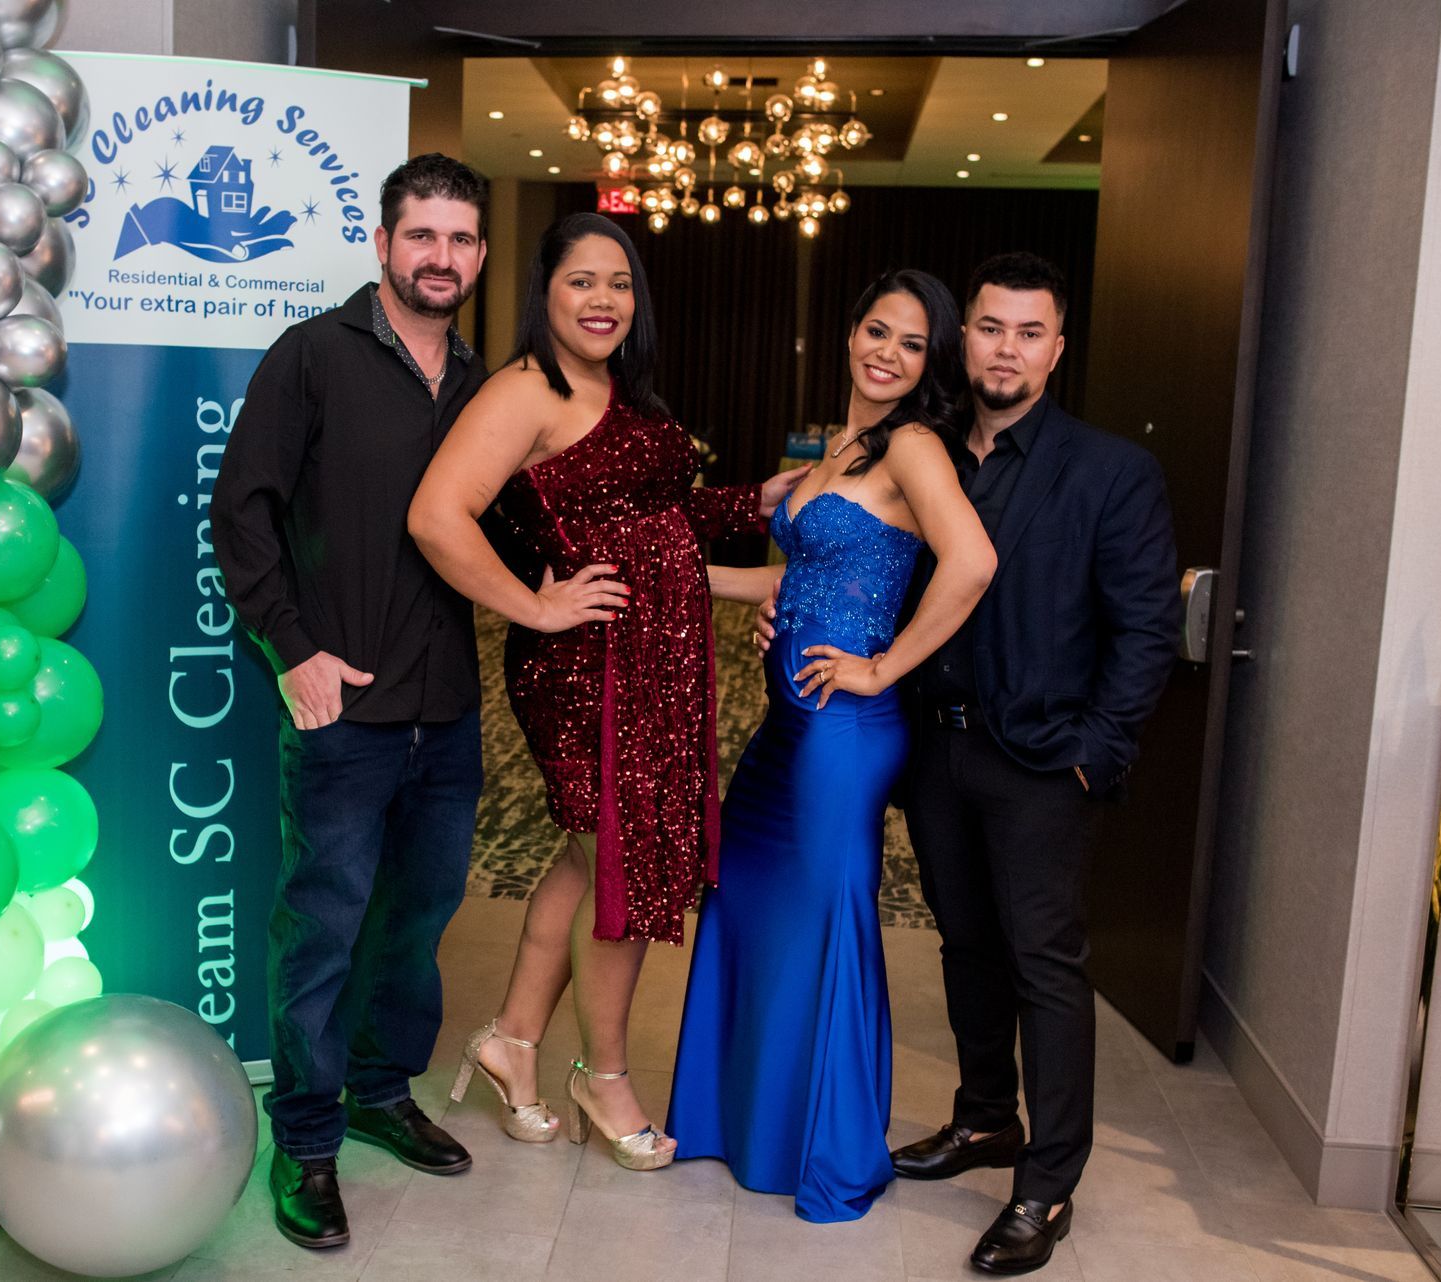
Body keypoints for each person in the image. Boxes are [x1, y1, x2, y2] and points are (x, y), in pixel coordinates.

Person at [408, 212, 808, 1172]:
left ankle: (509, 1041)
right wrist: (531, 609)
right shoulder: (524, 391)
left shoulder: (625, 391)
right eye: (582, 281)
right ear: (543, 289)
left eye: (619, 284)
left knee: (587, 866)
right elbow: (436, 514)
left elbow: (662, 521)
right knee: (619, 870)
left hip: (659, 664)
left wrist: (761, 503)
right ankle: (606, 1074)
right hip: (586, 672)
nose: (602, 301)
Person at [667, 269, 995, 1222]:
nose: (885, 353)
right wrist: (679, 574)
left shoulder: (915, 446)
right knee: (753, 908)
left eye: (910, 343)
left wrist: (883, 666)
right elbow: (794, 574)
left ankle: (824, 1148)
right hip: (786, 727)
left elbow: (971, 562)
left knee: (824, 925)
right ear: (851, 333)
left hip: (843, 732)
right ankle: (740, 1124)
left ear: (928, 364)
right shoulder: (836, 446)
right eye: (876, 331)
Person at [208, 153, 491, 1252]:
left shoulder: (481, 383)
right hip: (343, 711)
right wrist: (295, 650)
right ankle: (308, 1139)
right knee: (322, 927)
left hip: (449, 705)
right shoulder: (313, 356)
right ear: (383, 244)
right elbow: (243, 512)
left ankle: (380, 1090)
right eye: (422, 235)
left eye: (462, 240)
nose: (442, 258)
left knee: (417, 922)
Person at [884, 251, 1181, 1274]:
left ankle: (1048, 1184)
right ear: (963, 337)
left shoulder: (1110, 471)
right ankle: (983, 1119)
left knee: (1044, 967)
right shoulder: (920, 456)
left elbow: (1148, 633)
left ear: (1058, 348)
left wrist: (1095, 756)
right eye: (989, 327)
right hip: (934, 747)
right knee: (964, 945)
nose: (1005, 349)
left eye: (1028, 331)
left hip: (1046, 761)